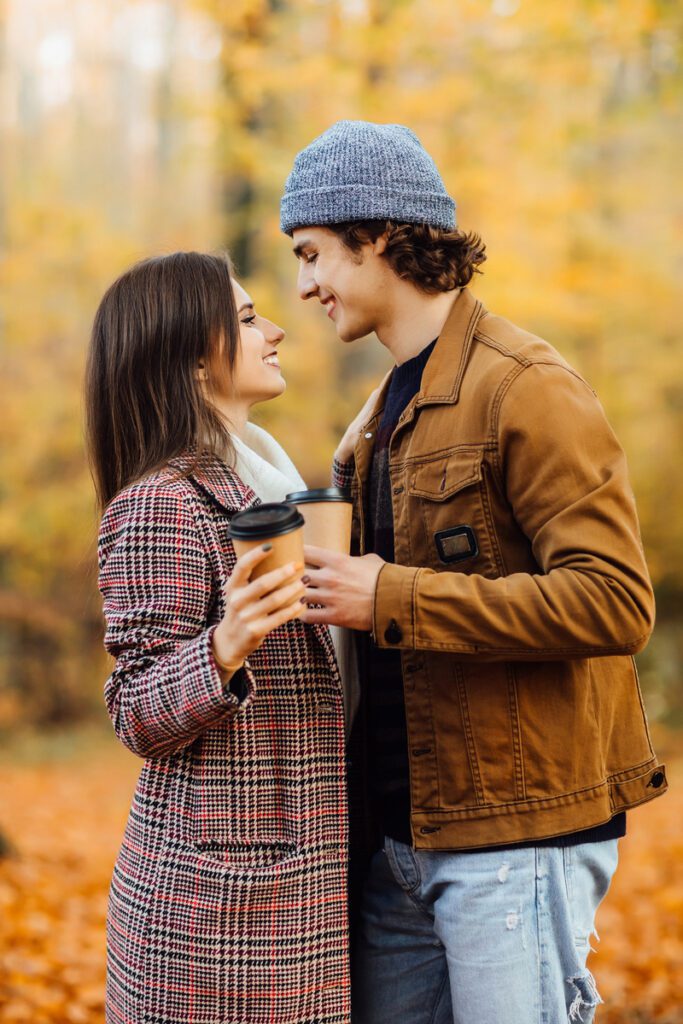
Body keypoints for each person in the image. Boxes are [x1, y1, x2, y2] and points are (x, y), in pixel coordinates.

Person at [279, 120, 667, 1024]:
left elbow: (615, 601)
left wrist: (391, 595)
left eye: (313, 254)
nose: (302, 285)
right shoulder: (375, 415)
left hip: (514, 843)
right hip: (395, 846)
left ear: (376, 237)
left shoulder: (526, 386)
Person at [85, 251, 350, 1024]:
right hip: (215, 921)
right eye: (244, 319)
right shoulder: (160, 503)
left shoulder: (269, 484)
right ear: (194, 361)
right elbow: (135, 711)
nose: (273, 331)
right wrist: (223, 645)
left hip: (300, 894)